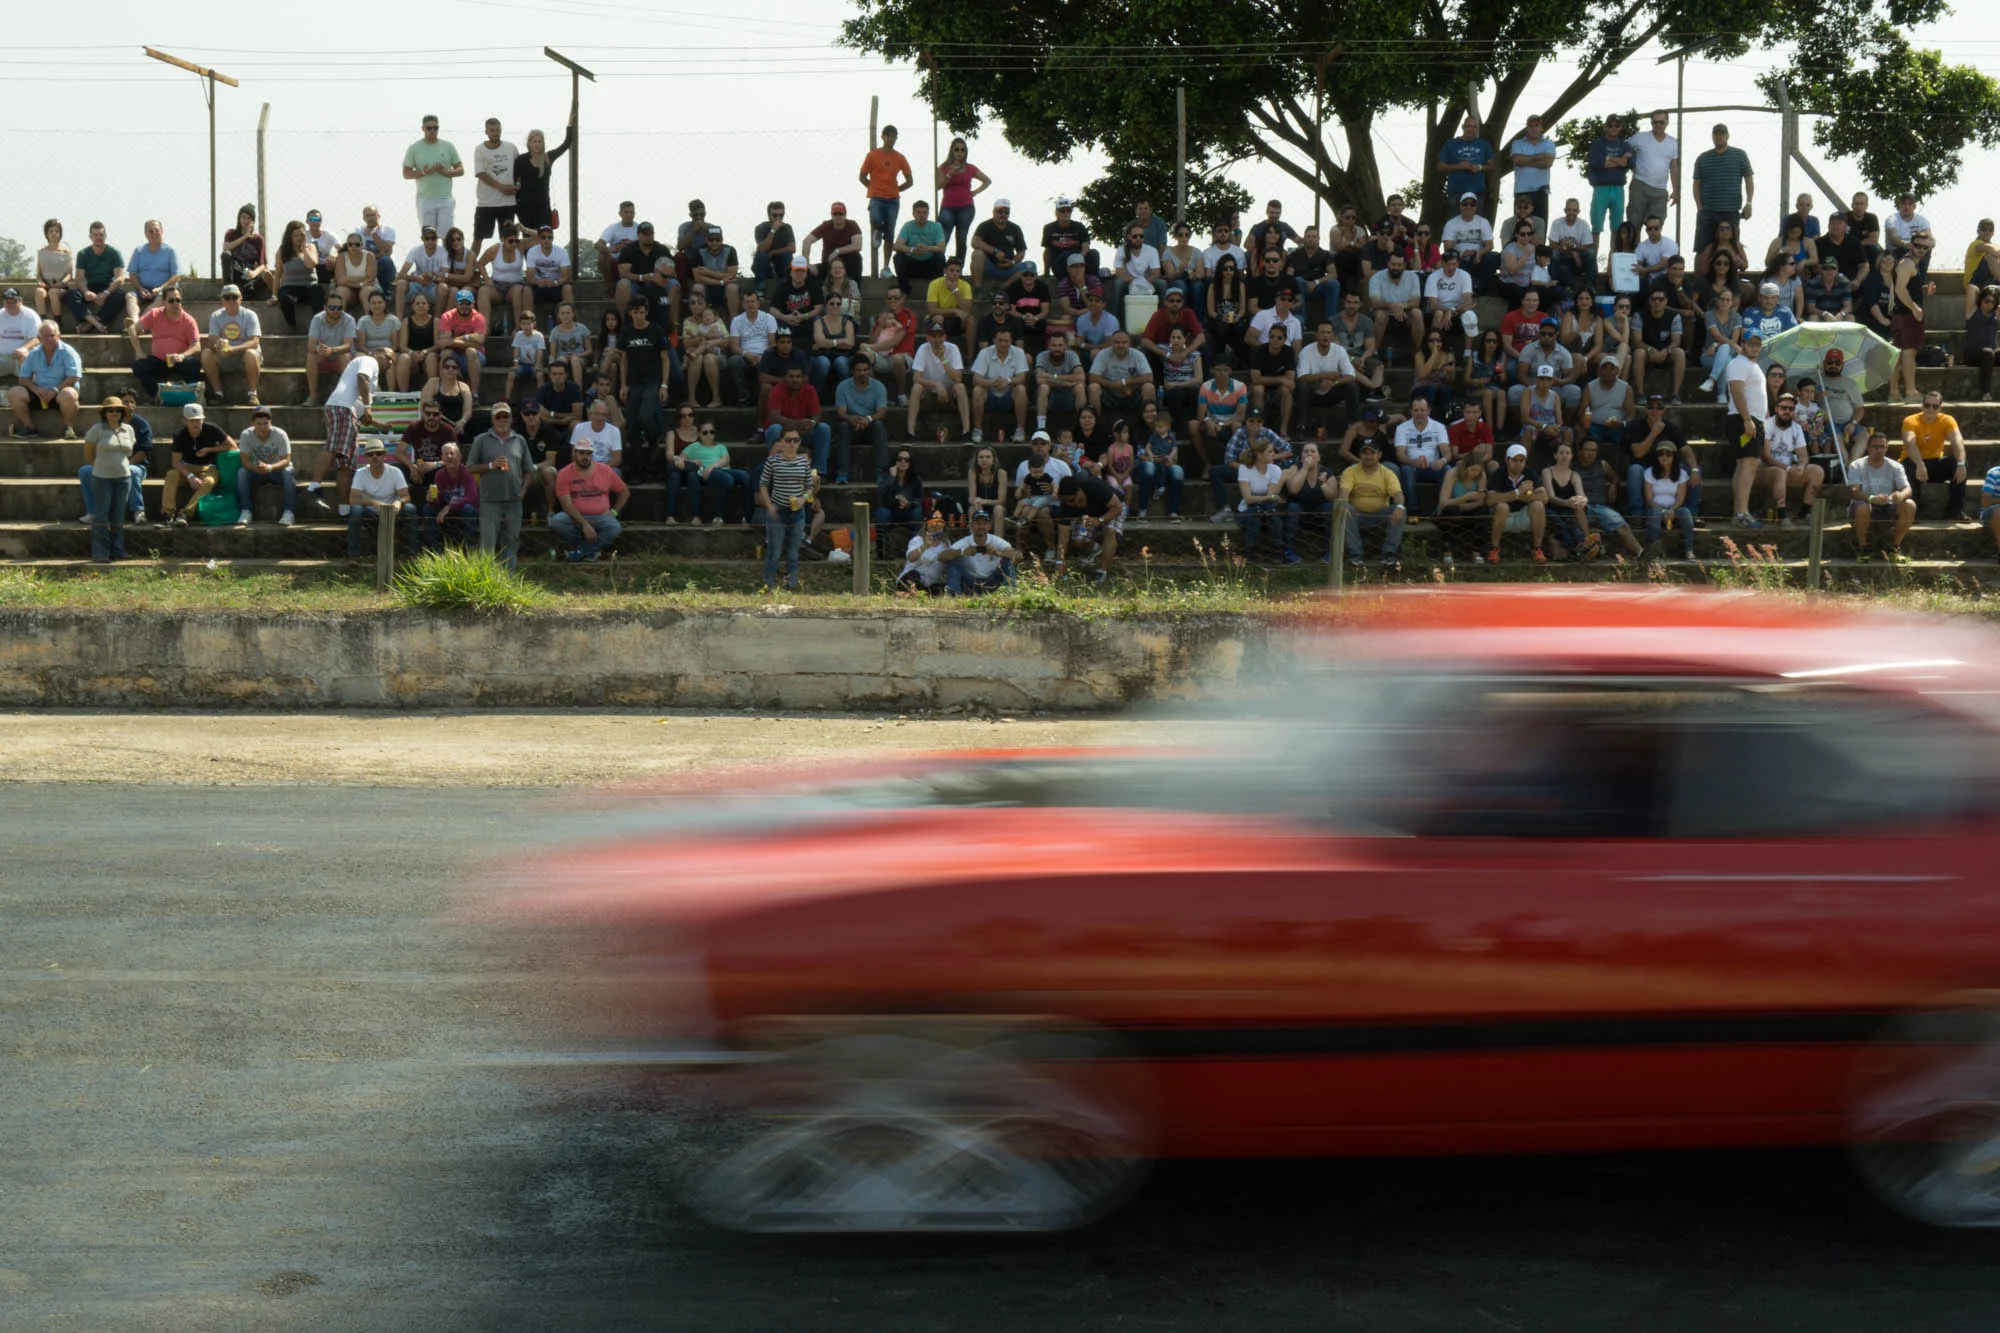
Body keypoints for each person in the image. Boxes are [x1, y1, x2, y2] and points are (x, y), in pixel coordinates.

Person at [465, 403, 531, 568]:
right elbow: (470, 468)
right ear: (492, 420)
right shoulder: (481, 440)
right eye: (498, 417)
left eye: (505, 416)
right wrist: (490, 466)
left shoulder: (520, 440)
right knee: (488, 543)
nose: (502, 420)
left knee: (512, 541)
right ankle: (486, 579)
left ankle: (508, 579)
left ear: (511, 418)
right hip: (489, 500)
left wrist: (523, 492)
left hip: (514, 500)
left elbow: (529, 470)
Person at [314, 351, 378, 517]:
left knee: (346, 464)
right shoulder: (369, 360)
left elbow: (365, 416)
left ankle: (344, 509)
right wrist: (367, 407)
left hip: (349, 414)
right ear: (380, 354)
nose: (391, 361)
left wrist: (380, 423)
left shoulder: (374, 380)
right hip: (343, 409)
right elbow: (362, 378)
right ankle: (313, 488)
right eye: (390, 357)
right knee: (334, 446)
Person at [757, 426, 817, 592]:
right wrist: (769, 506)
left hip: (797, 511)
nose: (792, 444)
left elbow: (809, 486)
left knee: (793, 552)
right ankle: (768, 583)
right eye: (788, 440)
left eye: (795, 440)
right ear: (782, 442)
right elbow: (762, 484)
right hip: (778, 510)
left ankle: (792, 583)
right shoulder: (773, 461)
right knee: (775, 551)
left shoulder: (803, 462)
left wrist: (803, 499)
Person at [1843, 430, 1917, 563]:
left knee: (1910, 505)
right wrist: (1872, 498)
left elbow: (1908, 489)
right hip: (1865, 507)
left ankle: (1895, 548)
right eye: (1875, 446)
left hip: (1888, 506)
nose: (1878, 450)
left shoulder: (1896, 466)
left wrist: (1900, 495)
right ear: (1868, 448)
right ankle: (1863, 547)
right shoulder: (1857, 465)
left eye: (1881, 446)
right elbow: (1853, 491)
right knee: (1862, 506)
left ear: (1886, 448)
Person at [547, 441, 628, 562]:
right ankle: (591, 549)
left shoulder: (605, 470)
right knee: (557, 521)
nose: (585, 457)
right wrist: (584, 524)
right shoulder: (564, 473)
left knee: (615, 527)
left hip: (600, 516)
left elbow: (624, 491)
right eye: (581, 453)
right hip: (574, 517)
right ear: (574, 454)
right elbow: (567, 505)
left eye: (588, 453)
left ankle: (580, 552)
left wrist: (614, 512)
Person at [82, 396, 137, 563]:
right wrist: (100, 466)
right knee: (100, 516)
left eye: (117, 411)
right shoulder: (96, 429)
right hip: (102, 478)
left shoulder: (128, 429)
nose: (114, 413)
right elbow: (89, 452)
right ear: (104, 413)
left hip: (124, 478)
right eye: (110, 410)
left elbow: (130, 451)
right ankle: (100, 553)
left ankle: (118, 551)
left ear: (122, 413)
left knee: (119, 516)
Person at [8, 320, 82, 439]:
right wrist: (36, 389)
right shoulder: (34, 353)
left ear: (59, 336)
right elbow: (23, 378)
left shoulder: (68, 352)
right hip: (40, 393)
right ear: (39, 338)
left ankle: (68, 427)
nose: (49, 339)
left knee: (70, 394)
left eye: (52, 336)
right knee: (14, 392)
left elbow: (74, 376)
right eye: (45, 336)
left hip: (60, 392)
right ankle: (30, 428)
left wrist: (54, 390)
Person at [1340, 436, 1406, 569]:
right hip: (1357, 516)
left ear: (1379, 455)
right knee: (1344, 508)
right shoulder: (1350, 471)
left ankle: (1390, 555)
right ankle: (1355, 556)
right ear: (1360, 455)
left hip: (1380, 516)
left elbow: (1398, 494)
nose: (1369, 456)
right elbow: (1343, 495)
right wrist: (1343, 505)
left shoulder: (1387, 473)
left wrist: (1399, 506)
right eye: (1365, 453)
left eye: (1372, 453)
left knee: (1400, 510)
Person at [127, 288, 204, 403]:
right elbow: (132, 329)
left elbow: (197, 346)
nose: (175, 303)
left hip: (180, 360)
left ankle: (191, 396)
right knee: (139, 366)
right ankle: (157, 396)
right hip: (158, 360)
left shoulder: (189, 320)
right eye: (171, 300)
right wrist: (139, 351)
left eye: (178, 300)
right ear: (164, 302)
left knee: (194, 364)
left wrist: (182, 356)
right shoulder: (155, 314)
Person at [1759, 391, 1823, 525]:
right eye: (1783, 408)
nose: (1787, 411)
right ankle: (1783, 516)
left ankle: (1804, 513)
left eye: (1791, 409)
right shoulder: (1767, 425)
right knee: (1780, 472)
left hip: (1789, 469)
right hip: (1767, 471)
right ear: (1776, 409)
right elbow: (1766, 456)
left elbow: (1804, 455)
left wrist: (1801, 466)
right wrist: (1788, 468)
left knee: (1817, 471)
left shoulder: (1797, 428)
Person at [162, 401, 232, 524]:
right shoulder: (180, 435)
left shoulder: (212, 429)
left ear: (203, 419)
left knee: (209, 481)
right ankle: (168, 512)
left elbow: (232, 446)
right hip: (187, 467)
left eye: (198, 420)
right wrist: (190, 476)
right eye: (192, 420)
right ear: (184, 421)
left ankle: (186, 513)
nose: (196, 423)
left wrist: (210, 449)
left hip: (208, 467)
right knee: (171, 475)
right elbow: (175, 462)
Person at [1902, 391, 1968, 520]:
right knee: (1907, 466)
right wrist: (1920, 464)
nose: (1930, 409)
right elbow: (1910, 443)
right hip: (1914, 462)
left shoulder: (1947, 420)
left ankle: (1955, 512)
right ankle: (1911, 513)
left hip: (1935, 462)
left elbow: (1957, 441)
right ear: (1922, 406)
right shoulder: (1910, 420)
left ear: (1940, 408)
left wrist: (1960, 464)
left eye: (1935, 406)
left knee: (1960, 464)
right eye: (1927, 405)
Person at [345, 440, 414, 563]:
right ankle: (353, 556)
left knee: (410, 509)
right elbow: (353, 499)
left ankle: (412, 554)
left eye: (378, 453)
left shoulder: (395, 472)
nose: (375, 457)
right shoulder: (360, 474)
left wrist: (398, 502)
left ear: (384, 455)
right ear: (366, 458)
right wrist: (374, 503)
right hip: (370, 511)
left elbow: (406, 496)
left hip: (392, 510)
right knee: (355, 510)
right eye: (371, 454)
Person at [1574, 436, 1644, 556]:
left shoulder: (1602, 464)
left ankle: (1641, 552)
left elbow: (1615, 477)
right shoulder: (1572, 468)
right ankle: (1586, 551)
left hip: (1601, 507)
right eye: (1588, 450)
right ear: (1580, 451)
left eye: (1594, 451)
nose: (1591, 454)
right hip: (1582, 508)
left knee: (1621, 524)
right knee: (1576, 527)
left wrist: (1613, 485)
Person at [859, 125, 914, 277]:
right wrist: (873, 188)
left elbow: (910, 181)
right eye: (888, 136)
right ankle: (877, 232)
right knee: (875, 218)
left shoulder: (900, 157)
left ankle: (885, 266)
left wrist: (897, 190)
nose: (891, 139)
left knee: (890, 233)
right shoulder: (872, 155)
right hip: (877, 197)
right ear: (882, 137)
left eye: (894, 136)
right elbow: (862, 176)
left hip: (892, 200)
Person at [1691, 123, 1753, 255]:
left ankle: (1731, 274)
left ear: (1728, 136)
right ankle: (1700, 275)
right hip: (1707, 210)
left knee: (1732, 248)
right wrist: (1699, 207)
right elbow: (1696, 184)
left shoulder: (1740, 155)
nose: (1719, 137)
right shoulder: (1703, 158)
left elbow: (1749, 180)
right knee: (1703, 248)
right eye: (1716, 134)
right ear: (1712, 136)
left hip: (1731, 210)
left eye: (1722, 134)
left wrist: (1749, 203)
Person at [1891, 232, 1938, 404]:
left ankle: (1894, 393)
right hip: (1907, 315)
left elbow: (1908, 289)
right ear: (1911, 245)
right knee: (1909, 353)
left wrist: (1925, 291)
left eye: (1925, 247)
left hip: (1901, 314)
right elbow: (1899, 290)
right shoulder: (1907, 263)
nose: (1921, 249)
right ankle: (1911, 392)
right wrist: (1915, 308)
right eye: (1918, 245)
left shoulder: (1912, 264)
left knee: (1898, 354)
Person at [1054, 472, 1124, 582]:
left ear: (1079, 491)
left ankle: (1102, 571)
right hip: (1089, 514)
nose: (1071, 504)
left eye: (1072, 500)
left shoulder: (1095, 486)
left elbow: (1117, 508)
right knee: (1078, 540)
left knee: (1110, 531)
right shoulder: (1065, 506)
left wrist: (1100, 520)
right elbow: (1063, 537)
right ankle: (1095, 549)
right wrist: (1059, 561)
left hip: (1112, 508)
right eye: (1066, 501)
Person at [908, 319, 971, 440]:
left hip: (950, 390)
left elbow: (958, 379)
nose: (937, 339)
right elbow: (916, 378)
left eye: (940, 335)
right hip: (929, 390)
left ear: (945, 336)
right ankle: (910, 432)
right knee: (916, 388)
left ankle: (966, 432)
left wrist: (943, 359)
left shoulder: (953, 349)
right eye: (933, 336)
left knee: (961, 387)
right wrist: (936, 384)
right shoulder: (923, 349)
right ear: (927, 337)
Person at [1486, 442, 1548, 563]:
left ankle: (1537, 549)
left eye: (1521, 460)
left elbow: (1544, 497)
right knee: (1502, 507)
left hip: (1524, 515)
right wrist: (1517, 492)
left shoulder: (1530, 473)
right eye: (1514, 460)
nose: (1518, 464)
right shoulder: (1498, 474)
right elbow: (1490, 500)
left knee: (1538, 506)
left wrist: (1520, 497)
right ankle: (1494, 549)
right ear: (1507, 460)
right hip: (1503, 517)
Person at [235, 404, 296, 527]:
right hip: (257, 470)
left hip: (276, 471)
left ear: (270, 422)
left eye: (266, 423)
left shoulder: (280, 434)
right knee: (242, 472)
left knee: (288, 471)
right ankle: (246, 510)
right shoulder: (246, 434)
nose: (263, 427)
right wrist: (256, 468)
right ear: (253, 423)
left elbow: (286, 460)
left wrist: (269, 467)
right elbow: (245, 461)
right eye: (259, 424)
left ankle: (289, 512)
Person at [403, 115, 464, 237]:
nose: (432, 131)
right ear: (423, 128)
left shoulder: (448, 146)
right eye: (429, 128)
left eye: (435, 128)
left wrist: (446, 172)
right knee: (429, 236)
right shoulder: (414, 148)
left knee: (447, 236)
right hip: (425, 199)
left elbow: (460, 169)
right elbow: (406, 173)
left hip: (445, 199)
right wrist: (425, 172)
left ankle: (446, 257)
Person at [511, 119, 574, 235]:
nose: (537, 144)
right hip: (524, 206)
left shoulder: (548, 158)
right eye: (534, 141)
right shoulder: (521, 160)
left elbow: (566, 144)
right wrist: (516, 187)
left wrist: (570, 124)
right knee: (528, 239)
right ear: (529, 143)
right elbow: (517, 180)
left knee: (544, 236)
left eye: (540, 141)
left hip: (543, 206)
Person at [969, 326, 1031, 444]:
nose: (1003, 344)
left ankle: (1020, 430)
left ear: (1011, 341)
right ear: (994, 340)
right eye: (1000, 340)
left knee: (1021, 389)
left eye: (1006, 341)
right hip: (989, 393)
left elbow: (1022, 378)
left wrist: (1007, 381)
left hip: (1009, 393)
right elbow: (976, 379)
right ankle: (977, 430)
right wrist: (991, 382)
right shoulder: (985, 353)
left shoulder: (1019, 352)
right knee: (977, 390)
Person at [936, 137, 991, 264]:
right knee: (943, 237)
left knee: (961, 238)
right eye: (956, 149)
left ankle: (958, 267)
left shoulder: (970, 168)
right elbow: (938, 186)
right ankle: (939, 266)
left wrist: (975, 192)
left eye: (962, 150)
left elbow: (987, 180)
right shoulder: (943, 168)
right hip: (948, 207)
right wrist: (950, 174)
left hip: (966, 207)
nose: (959, 152)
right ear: (952, 151)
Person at [1640, 438, 1697, 560]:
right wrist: (1662, 511)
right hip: (1656, 508)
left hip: (1674, 508)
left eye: (1668, 454)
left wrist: (1672, 510)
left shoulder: (1682, 474)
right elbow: (1649, 498)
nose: (1664, 457)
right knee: (1654, 515)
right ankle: (1655, 551)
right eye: (1661, 454)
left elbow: (1681, 498)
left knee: (1685, 513)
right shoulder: (1649, 473)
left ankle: (1689, 550)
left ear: (1674, 456)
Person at [64, 221, 125, 333]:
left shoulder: (114, 253)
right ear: (90, 237)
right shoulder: (83, 254)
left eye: (101, 235)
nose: (98, 238)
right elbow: (79, 278)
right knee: (71, 295)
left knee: (120, 296)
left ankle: (88, 324)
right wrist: (86, 292)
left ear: (105, 236)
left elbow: (120, 277)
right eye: (95, 235)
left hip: (107, 288)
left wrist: (106, 293)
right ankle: (97, 323)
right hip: (89, 288)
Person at [1586, 115, 1632, 261]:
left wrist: (1609, 159)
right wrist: (1619, 160)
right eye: (1610, 125)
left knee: (1617, 229)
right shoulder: (1597, 144)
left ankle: (1612, 266)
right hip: (1600, 189)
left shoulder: (1625, 145)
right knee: (1596, 228)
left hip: (1618, 189)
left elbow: (1630, 163)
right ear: (1605, 126)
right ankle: (1592, 264)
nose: (1613, 128)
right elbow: (1598, 163)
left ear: (1621, 128)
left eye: (1617, 125)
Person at [1233, 436, 1288, 560]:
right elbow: (1248, 499)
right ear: (1259, 454)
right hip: (1247, 510)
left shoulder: (1275, 470)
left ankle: (1278, 549)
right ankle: (1250, 550)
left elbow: (1271, 495)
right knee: (1256, 511)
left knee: (1270, 510)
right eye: (1270, 451)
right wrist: (1271, 497)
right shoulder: (1245, 469)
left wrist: (1273, 494)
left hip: (1267, 509)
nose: (1274, 454)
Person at [1627, 111, 1680, 237]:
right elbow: (1623, 146)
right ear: (1651, 123)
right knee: (1634, 225)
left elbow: (1674, 166)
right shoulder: (1640, 137)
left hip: (1660, 190)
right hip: (1640, 185)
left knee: (1655, 226)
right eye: (1655, 122)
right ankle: (1635, 254)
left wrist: (1675, 189)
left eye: (1661, 122)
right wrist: (1627, 156)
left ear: (1667, 122)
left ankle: (1651, 255)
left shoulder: (1673, 143)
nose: (1658, 125)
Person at [939, 509, 1017, 594]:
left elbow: (1018, 555)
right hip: (971, 581)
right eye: (978, 523)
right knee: (954, 561)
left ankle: (1010, 594)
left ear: (990, 526)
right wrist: (962, 551)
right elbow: (941, 557)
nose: (981, 526)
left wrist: (998, 553)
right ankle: (953, 595)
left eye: (984, 523)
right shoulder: (965, 542)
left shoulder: (996, 541)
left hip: (993, 580)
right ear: (972, 525)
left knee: (1008, 561)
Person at [469, 117, 520, 246]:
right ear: (486, 131)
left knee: (509, 238)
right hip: (486, 203)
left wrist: (518, 186)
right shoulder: (480, 149)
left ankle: (508, 265)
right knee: (478, 238)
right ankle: (471, 265)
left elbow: (520, 169)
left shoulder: (511, 147)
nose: (495, 133)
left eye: (497, 130)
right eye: (492, 130)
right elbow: (480, 173)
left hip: (507, 202)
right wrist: (501, 187)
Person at [304, 293, 357, 405]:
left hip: (341, 357)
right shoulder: (317, 319)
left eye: (339, 308)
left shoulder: (349, 320)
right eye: (332, 307)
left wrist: (332, 350)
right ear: (325, 308)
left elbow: (348, 345)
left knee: (345, 356)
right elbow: (311, 345)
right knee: (311, 356)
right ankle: (313, 395)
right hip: (323, 356)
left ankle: (345, 396)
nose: (336, 310)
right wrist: (320, 349)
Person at [970, 199, 1034, 288]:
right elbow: (975, 242)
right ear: (993, 212)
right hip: (990, 266)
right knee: (977, 254)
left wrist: (1012, 262)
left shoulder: (1015, 228)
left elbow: (1021, 252)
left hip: (1009, 268)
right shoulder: (985, 226)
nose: (1002, 215)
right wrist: (995, 251)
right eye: (999, 211)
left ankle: (1003, 287)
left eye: (1006, 212)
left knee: (1030, 266)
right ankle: (978, 289)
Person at [1435, 113, 1496, 206]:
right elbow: (1440, 167)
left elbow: (1492, 165)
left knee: (1477, 220)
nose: (1471, 129)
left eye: (1474, 127)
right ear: (1463, 127)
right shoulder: (1451, 144)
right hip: (1456, 192)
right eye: (1469, 126)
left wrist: (1479, 167)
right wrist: (1459, 166)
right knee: (1454, 219)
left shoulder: (1484, 144)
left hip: (1477, 192)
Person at [891, 199, 949, 289]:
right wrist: (912, 250)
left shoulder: (936, 226)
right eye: (919, 212)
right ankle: (904, 291)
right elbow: (896, 246)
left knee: (940, 257)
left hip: (929, 266)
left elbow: (942, 247)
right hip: (912, 264)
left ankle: (938, 290)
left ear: (928, 213)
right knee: (898, 257)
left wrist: (928, 248)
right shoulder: (908, 226)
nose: (922, 215)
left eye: (925, 212)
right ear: (913, 214)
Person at [802, 203, 864, 286]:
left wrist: (837, 251)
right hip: (829, 264)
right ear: (831, 215)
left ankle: (856, 291)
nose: (838, 216)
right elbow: (806, 241)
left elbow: (858, 245)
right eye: (835, 214)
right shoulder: (825, 226)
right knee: (809, 272)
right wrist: (807, 264)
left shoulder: (852, 225)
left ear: (845, 215)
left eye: (840, 214)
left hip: (848, 263)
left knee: (856, 257)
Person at [222, 204, 273, 300]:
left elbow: (263, 265)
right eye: (243, 217)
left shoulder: (258, 240)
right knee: (226, 255)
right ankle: (228, 288)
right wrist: (244, 237)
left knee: (261, 284)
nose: (245, 221)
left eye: (249, 218)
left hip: (248, 274)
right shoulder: (231, 233)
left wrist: (254, 273)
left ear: (253, 221)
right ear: (239, 218)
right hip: (234, 273)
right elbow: (226, 247)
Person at [33, 220, 73, 325]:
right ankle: (43, 322)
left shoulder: (66, 253)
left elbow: (69, 274)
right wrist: (40, 281)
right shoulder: (41, 252)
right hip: (46, 283)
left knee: (53, 292)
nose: (54, 233)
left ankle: (58, 323)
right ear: (46, 233)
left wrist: (62, 283)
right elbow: (39, 273)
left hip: (61, 286)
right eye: (51, 231)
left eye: (56, 231)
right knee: (39, 292)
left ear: (60, 233)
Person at [1966, 285, 2000, 402]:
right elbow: (1971, 288)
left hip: (1991, 352)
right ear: (1980, 299)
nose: (1989, 305)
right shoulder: (1972, 311)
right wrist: (1991, 288)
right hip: (1973, 353)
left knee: (1991, 353)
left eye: (1992, 302)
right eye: (1986, 301)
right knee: (1988, 353)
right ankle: (1986, 392)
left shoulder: (1995, 315)